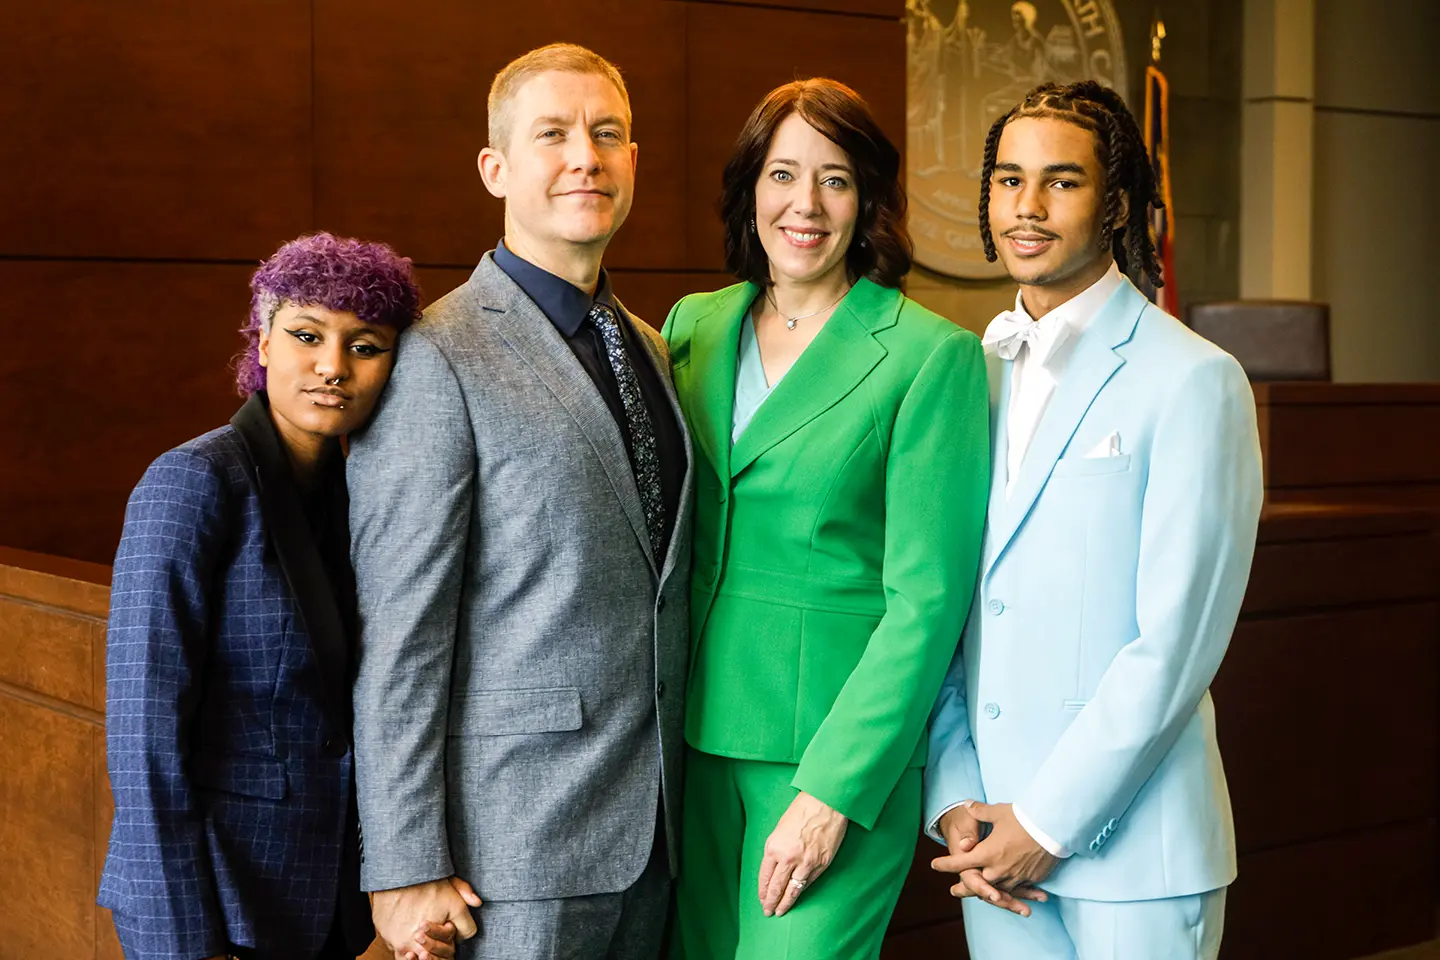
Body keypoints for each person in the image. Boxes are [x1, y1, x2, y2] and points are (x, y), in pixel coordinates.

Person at [345, 43, 693, 960]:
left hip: (659, 836)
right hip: (511, 852)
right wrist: (402, 862)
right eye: (554, 134)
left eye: (607, 133)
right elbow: (401, 632)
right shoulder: (438, 356)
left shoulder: (653, 348)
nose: (586, 155)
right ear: (496, 169)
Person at [924, 80, 1264, 960]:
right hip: (992, 851)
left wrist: (1047, 820)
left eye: (1061, 182)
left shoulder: (1195, 378)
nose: (1026, 208)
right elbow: (950, 605)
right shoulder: (971, 376)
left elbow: (1175, 645)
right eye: (1007, 180)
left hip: (1135, 857)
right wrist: (960, 804)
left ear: (1115, 205)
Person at [663, 78, 990, 960]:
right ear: (750, 189)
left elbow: (927, 602)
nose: (804, 204)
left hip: (827, 755)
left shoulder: (930, 357)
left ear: (869, 199)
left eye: (835, 179)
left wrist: (836, 791)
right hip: (687, 742)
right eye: (782, 174)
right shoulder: (694, 326)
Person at [98, 234, 446, 960]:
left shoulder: (362, 497)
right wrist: (183, 941)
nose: (332, 367)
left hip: (321, 905)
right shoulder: (193, 482)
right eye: (307, 335)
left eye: (367, 346)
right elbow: (144, 741)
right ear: (262, 339)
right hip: (210, 907)